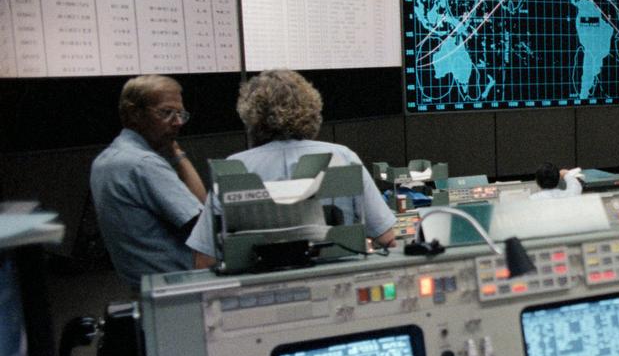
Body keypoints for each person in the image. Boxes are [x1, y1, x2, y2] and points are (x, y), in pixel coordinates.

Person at [187, 70, 396, 266]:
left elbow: (205, 260)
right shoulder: (343, 157)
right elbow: (386, 239)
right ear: (312, 109)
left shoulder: (234, 168)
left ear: (251, 116)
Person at [90, 75, 208, 291]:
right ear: (135, 114)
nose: (178, 122)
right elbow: (205, 225)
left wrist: (173, 150)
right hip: (178, 290)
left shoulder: (106, 159)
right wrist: (178, 155)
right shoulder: (143, 164)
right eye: (166, 113)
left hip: (143, 287)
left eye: (180, 114)